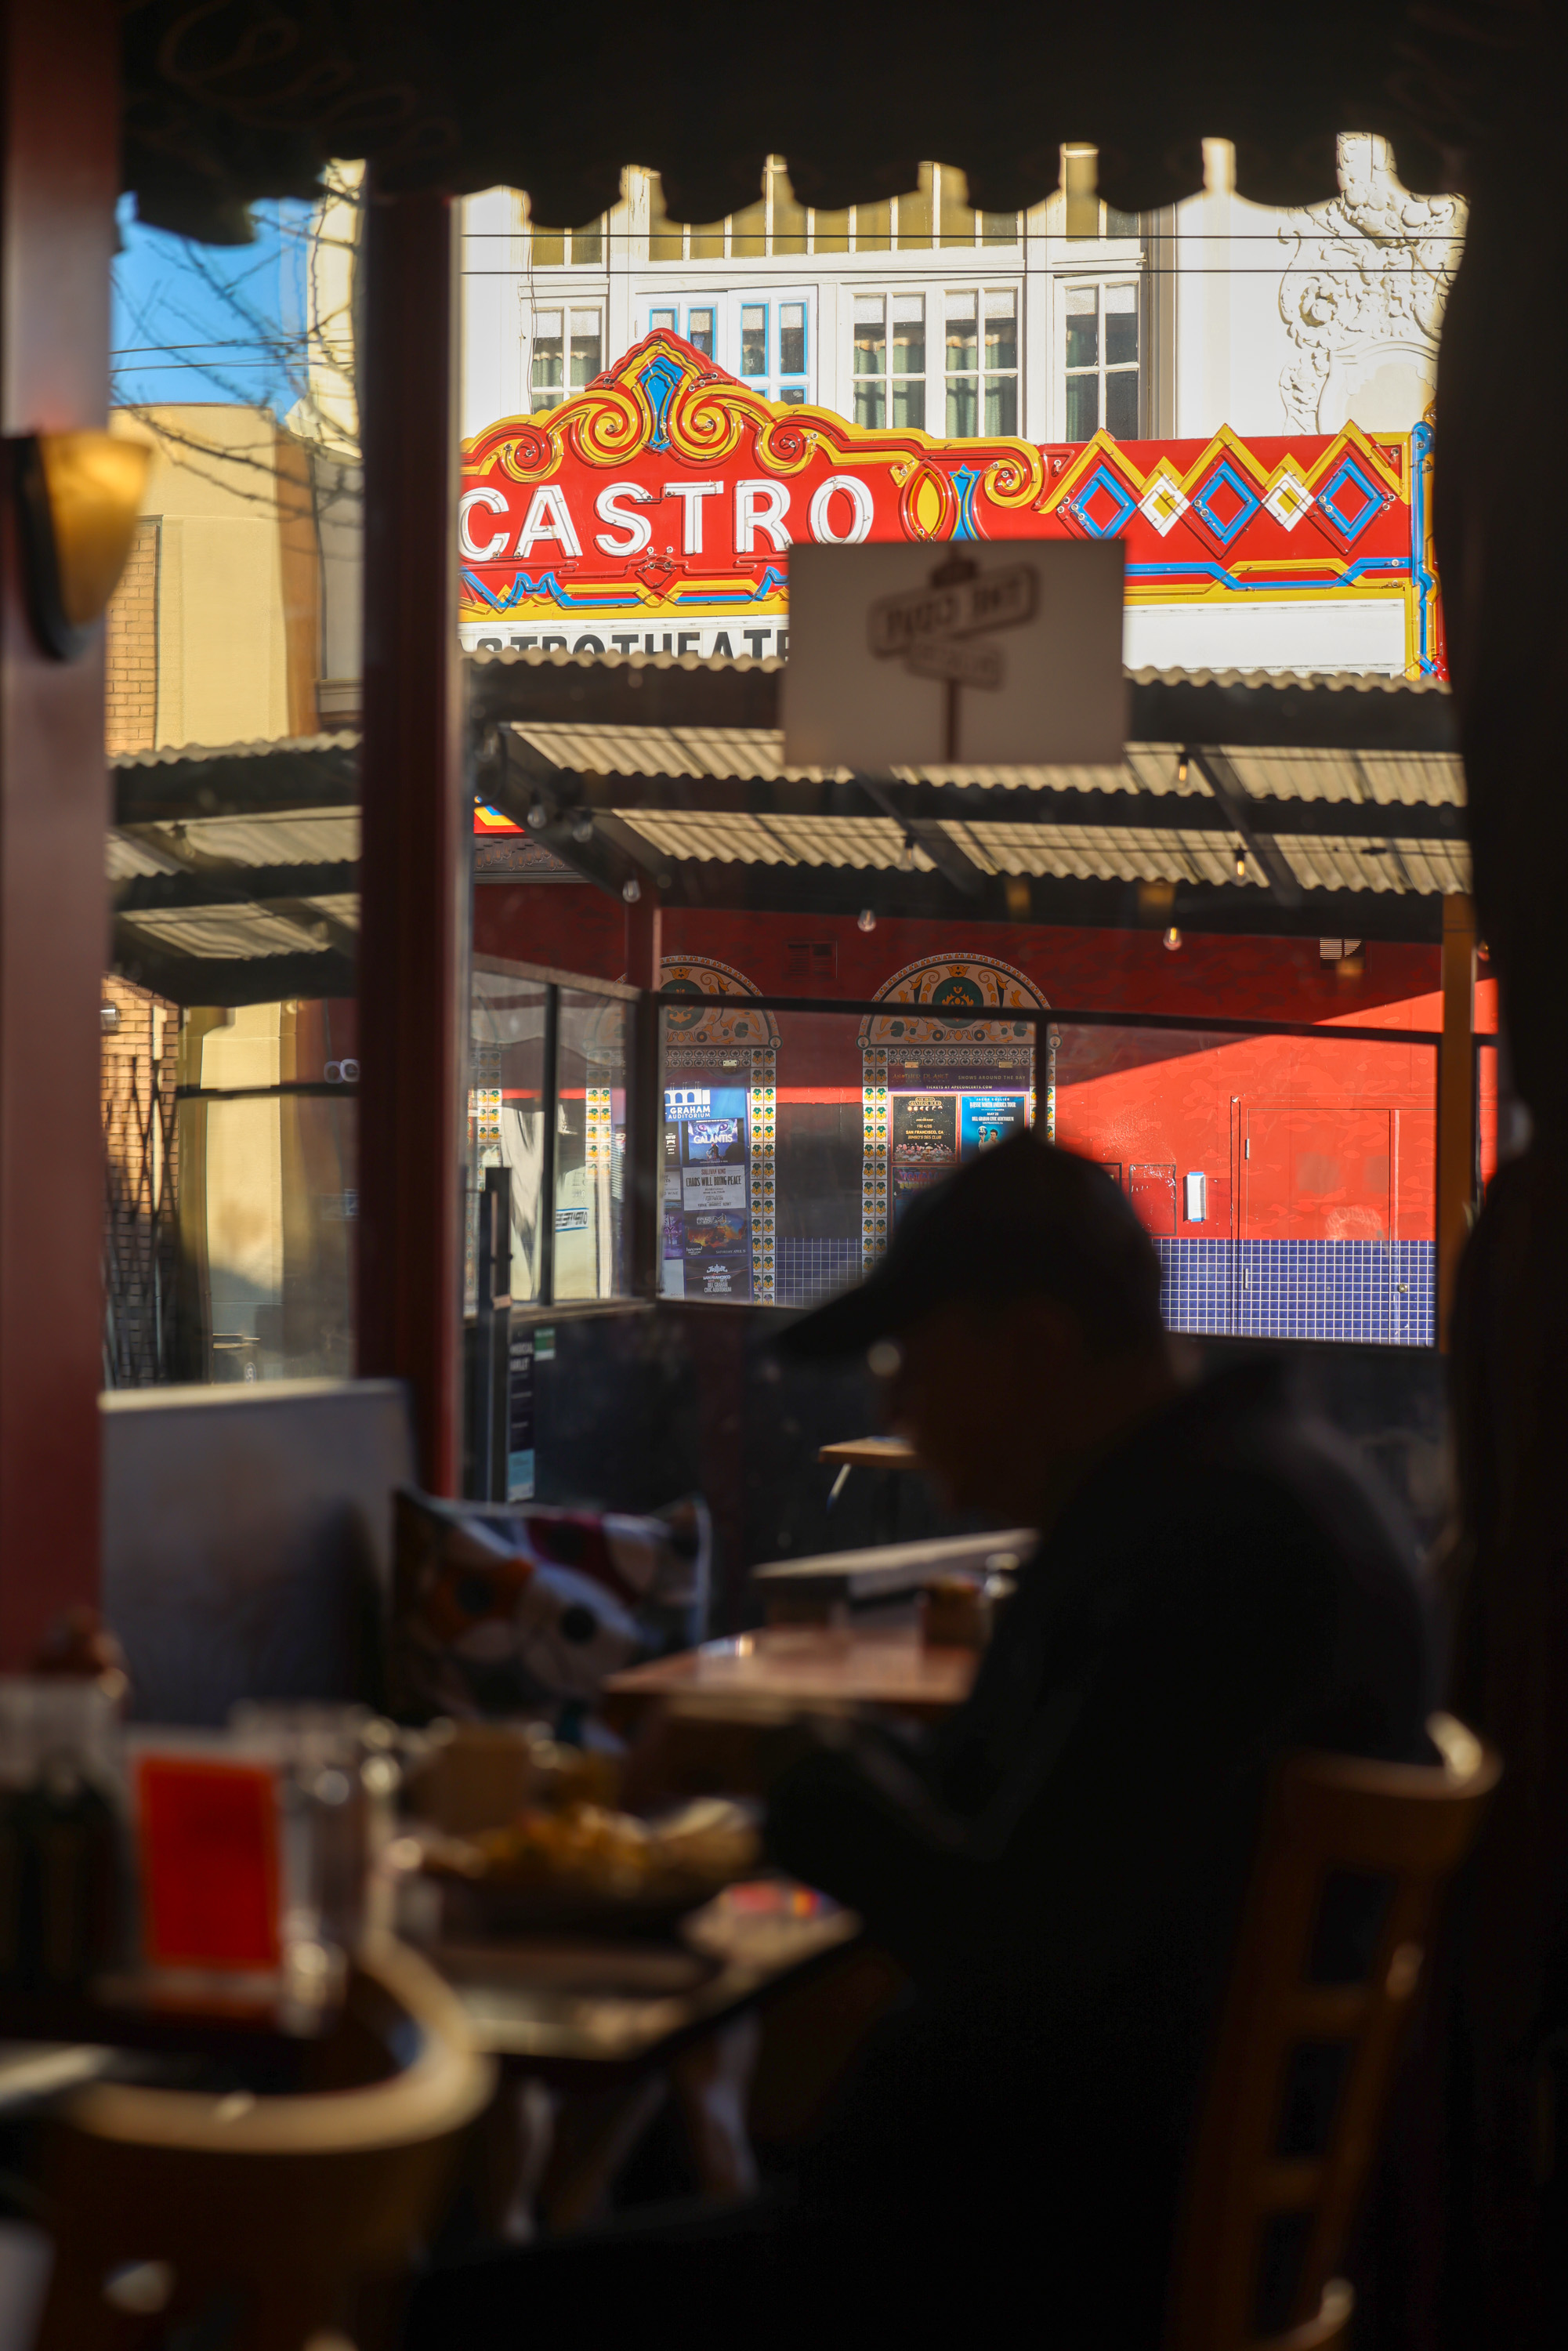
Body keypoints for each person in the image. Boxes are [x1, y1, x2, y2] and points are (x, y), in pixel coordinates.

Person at [407, 1134, 1433, 2346]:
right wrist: (789, 1749)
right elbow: (1008, 1843)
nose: (891, 1408)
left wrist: (782, 1764)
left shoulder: (1206, 1550)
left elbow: (1009, 1941)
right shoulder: (1241, 1496)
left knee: (438, 2312)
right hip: (1037, 2228)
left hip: (1021, 2273)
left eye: (909, 1365)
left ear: (1037, 1350)